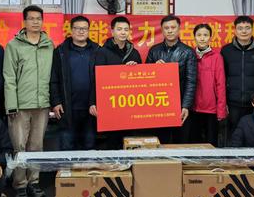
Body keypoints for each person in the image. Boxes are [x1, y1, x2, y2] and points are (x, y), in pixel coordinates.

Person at [3, 5, 55, 197]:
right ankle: (20, 185)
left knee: (37, 146)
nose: (35, 22)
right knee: (19, 146)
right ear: (24, 22)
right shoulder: (13, 45)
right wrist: (11, 105)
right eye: (31, 18)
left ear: (42, 21)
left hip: (42, 105)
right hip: (20, 106)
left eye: (38, 18)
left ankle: (34, 182)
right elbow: (9, 77)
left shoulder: (49, 45)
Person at [90, 16, 141, 149]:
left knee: (130, 140)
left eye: (126, 29)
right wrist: (93, 102)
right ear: (112, 31)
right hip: (110, 104)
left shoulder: (134, 53)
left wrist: (134, 69)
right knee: (112, 140)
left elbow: (142, 80)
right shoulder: (102, 52)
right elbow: (96, 78)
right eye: (119, 29)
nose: (123, 32)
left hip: (130, 104)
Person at [50, 15, 100, 150]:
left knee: (89, 147)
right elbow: (54, 78)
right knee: (67, 148)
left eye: (84, 28)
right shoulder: (60, 51)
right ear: (71, 30)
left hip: (91, 109)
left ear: (89, 31)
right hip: (67, 109)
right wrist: (56, 102)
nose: (81, 31)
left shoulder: (97, 50)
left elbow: (105, 78)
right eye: (78, 28)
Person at [220, 15, 254, 135]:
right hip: (233, 103)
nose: (244, 31)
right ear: (235, 30)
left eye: (247, 28)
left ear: (253, 29)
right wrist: (223, 102)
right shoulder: (226, 51)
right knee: (235, 135)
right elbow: (221, 79)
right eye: (240, 28)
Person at [146, 15, 197, 144]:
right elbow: (145, 79)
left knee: (179, 143)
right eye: (166, 28)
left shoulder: (188, 52)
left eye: (173, 27)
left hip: (179, 105)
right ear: (162, 30)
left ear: (179, 29)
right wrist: (154, 69)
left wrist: (185, 106)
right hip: (158, 105)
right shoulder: (154, 51)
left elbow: (191, 81)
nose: (170, 30)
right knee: (159, 142)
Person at [190, 23, 226, 146]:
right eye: (199, 35)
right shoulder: (190, 54)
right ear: (194, 37)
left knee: (211, 143)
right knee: (193, 144)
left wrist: (221, 110)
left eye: (205, 35)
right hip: (192, 108)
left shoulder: (217, 57)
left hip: (211, 109)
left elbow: (220, 84)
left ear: (210, 37)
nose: (202, 38)